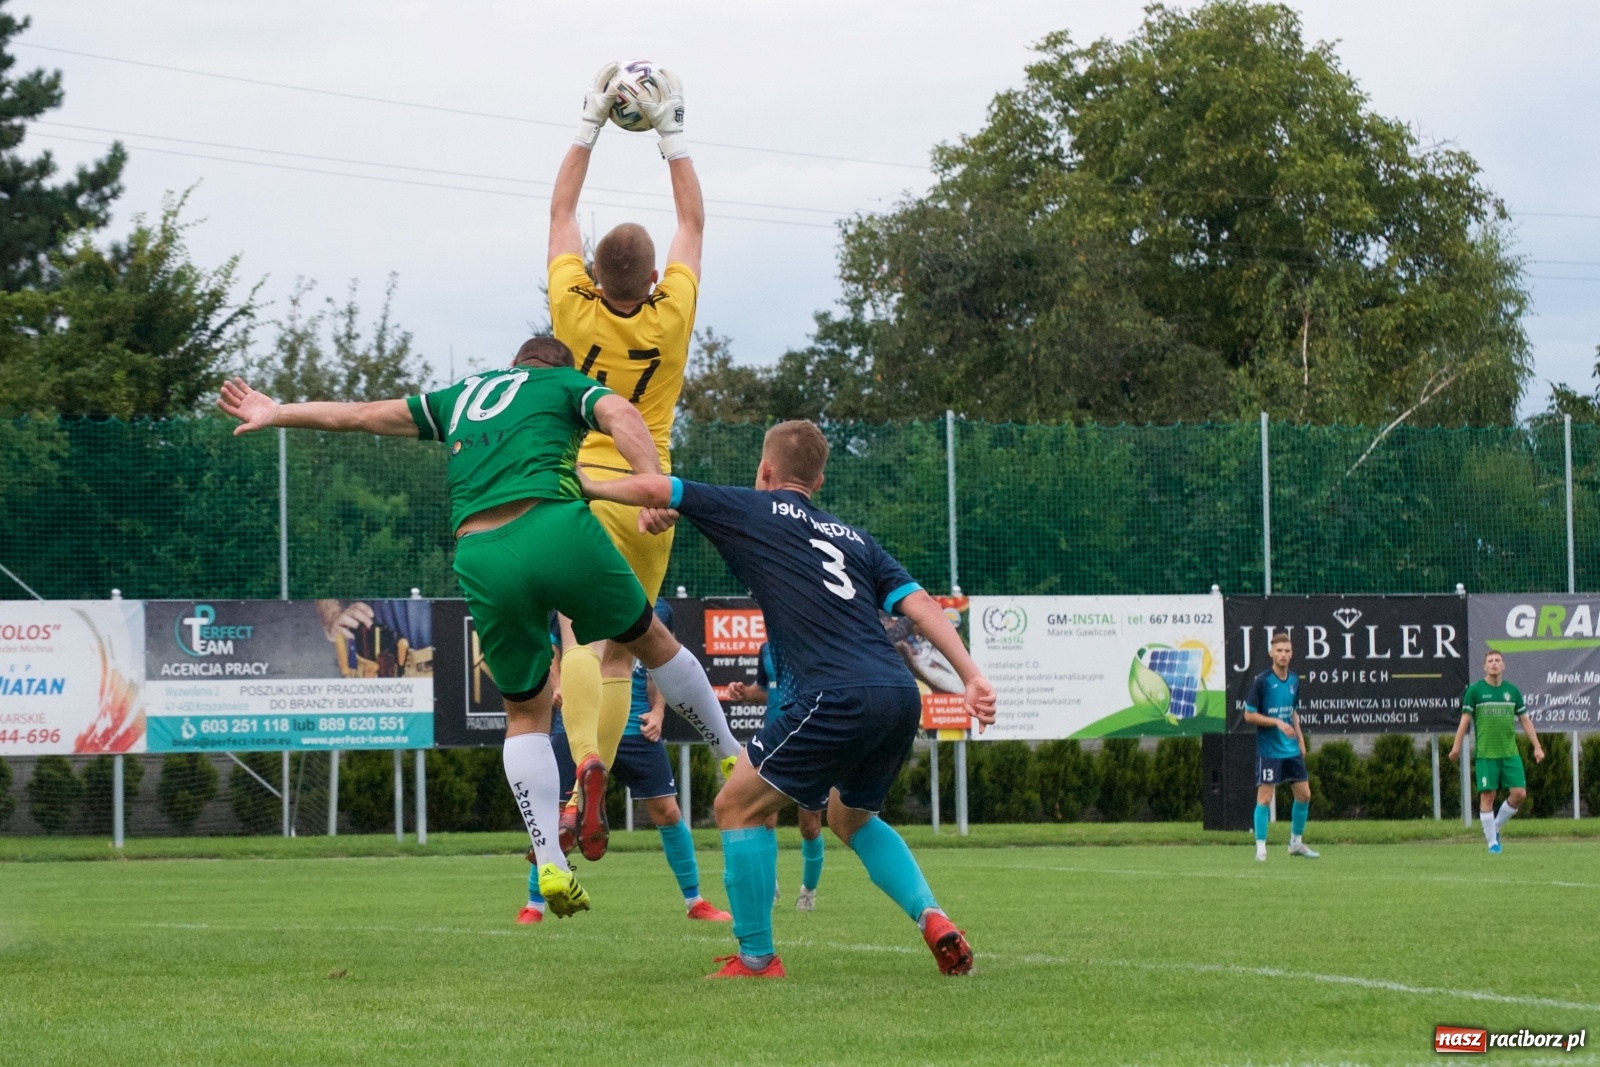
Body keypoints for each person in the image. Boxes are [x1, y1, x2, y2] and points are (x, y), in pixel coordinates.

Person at [215, 336, 728, 918]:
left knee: (525, 715)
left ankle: (550, 865)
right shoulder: (564, 385)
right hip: (553, 524)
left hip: (480, 553)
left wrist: (277, 410)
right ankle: (731, 753)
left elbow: (359, 416)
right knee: (649, 645)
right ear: (558, 368)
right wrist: (651, 482)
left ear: (514, 365)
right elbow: (622, 413)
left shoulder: (459, 396)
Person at [580, 420, 997, 979]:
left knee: (735, 806)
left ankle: (756, 958)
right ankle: (933, 918)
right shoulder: (856, 539)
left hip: (835, 693)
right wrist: (970, 676)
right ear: (819, 480)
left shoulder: (753, 508)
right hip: (898, 695)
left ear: (765, 471)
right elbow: (919, 604)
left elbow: (658, 489)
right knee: (851, 818)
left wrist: (586, 483)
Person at [546, 63, 738, 866]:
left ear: (594, 274)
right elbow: (694, 218)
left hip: (581, 488)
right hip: (651, 489)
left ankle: (585, 763)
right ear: (654, 278)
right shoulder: (675, 311)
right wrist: (671, 131)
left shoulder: (571, 306)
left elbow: (559, 211)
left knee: (576, 644)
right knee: (625, 648)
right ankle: (621, 762)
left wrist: (589, 125)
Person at [521, 599, 732, 924]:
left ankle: (695, 901)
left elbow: (661, 663)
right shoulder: (570, 594)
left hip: (635, 729)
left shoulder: (658, 608)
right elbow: (554, 653)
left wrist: (659, 711)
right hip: (580, 725)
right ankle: (533, 906)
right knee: (558, 815)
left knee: (668, 811)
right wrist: (559, 686)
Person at [727, 643, 826, 912]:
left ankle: (808, 891)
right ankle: (769, 886)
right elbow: (764, 690)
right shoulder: (768, 648)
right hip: (774, 741)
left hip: (810, 739)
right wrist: (744, 693)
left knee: (810, 825)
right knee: (764, 817)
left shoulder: (814, 642)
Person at [1451, 650, 1545, 853]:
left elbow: (1525, 720)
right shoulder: (1475, 690)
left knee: (1519, 793)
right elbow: (1465, 720)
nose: (1494, 664)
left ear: (1503, 666)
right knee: (1488, 795)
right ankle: (1492, 843)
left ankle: (1494, 827)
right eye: (1490, 661)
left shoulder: (1512, 691)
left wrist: (1537, 746)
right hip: (1486, 753)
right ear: (1484, 667)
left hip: (1510, 753)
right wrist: (1456, 747)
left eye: (1497, 661)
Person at [1241, 631, 1318, 862]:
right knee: (1264, 798)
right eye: (1279, 651)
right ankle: (1261, 848)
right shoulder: (1262, 682)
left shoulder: (1294, 680)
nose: (1283, 655)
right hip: (1269, 749)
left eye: (1286, 651)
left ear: (1291, 654)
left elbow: (1293, 712)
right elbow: (1248, 715)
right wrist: (1275, 722)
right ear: (1271, 653)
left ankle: (1295, 843)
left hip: (1291, 748)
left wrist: (1301, 739)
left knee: (1304, 795)